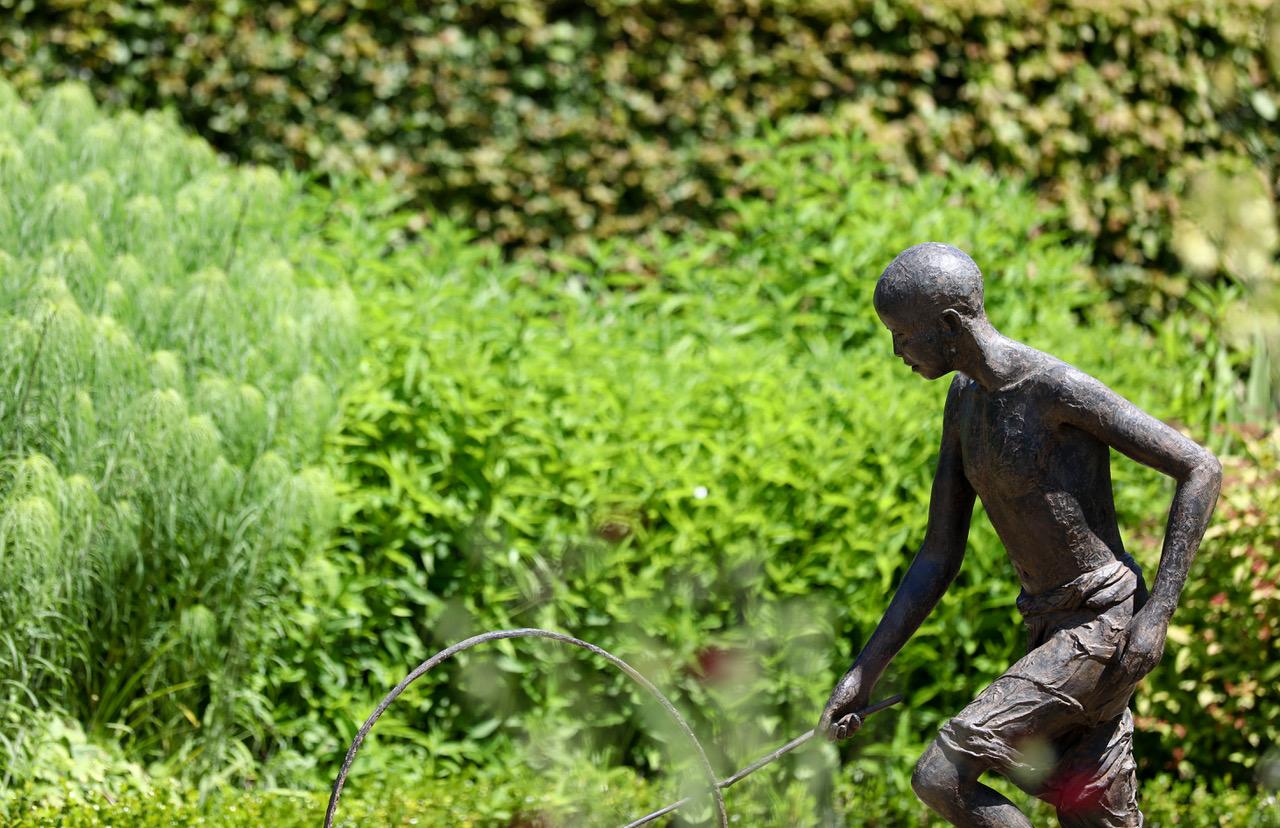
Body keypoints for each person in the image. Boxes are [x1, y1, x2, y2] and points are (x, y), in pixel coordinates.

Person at [818, 243, 1221, 827]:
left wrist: (1157, 613)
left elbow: (1199, 467)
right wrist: (863, 673)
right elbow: (939, 553)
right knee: (1091, 812)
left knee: (941, 774)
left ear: (950, 326)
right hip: (1046, 628)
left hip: (1101, 628)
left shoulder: (1054, 389)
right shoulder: (963, 402)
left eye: (903, 336)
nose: (897, 352)